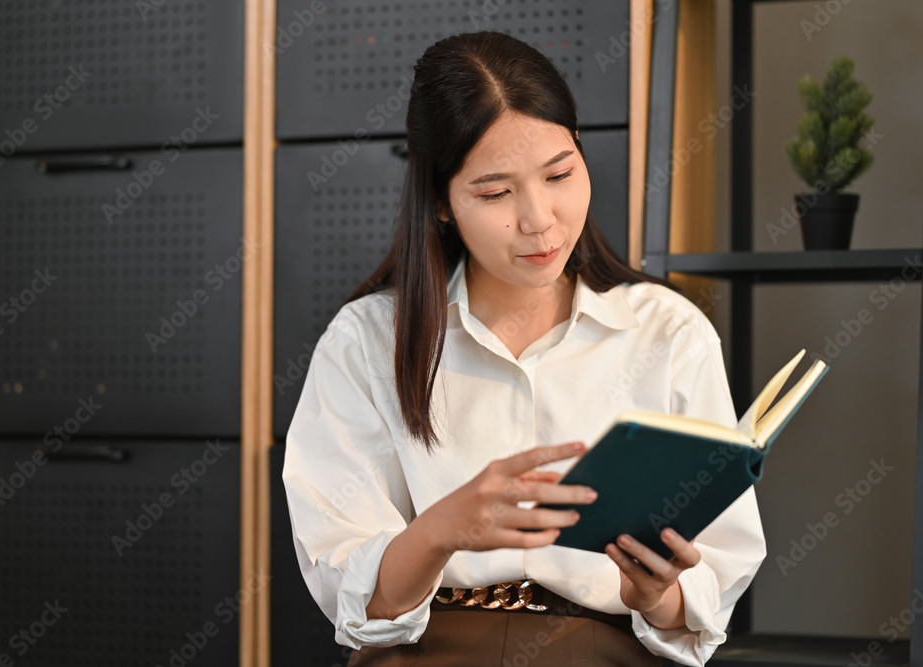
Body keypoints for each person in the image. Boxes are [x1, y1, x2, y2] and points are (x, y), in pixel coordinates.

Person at [282, 31, 766, 666]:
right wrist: (442, 530)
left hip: (609, 649)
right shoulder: (368, 340)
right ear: (441, 203)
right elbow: (358, 599)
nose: (539, 218)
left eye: (560, 173)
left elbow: (713, 583)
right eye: (494, 192)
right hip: (427, 650)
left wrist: (659, 594)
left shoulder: (667, 331)